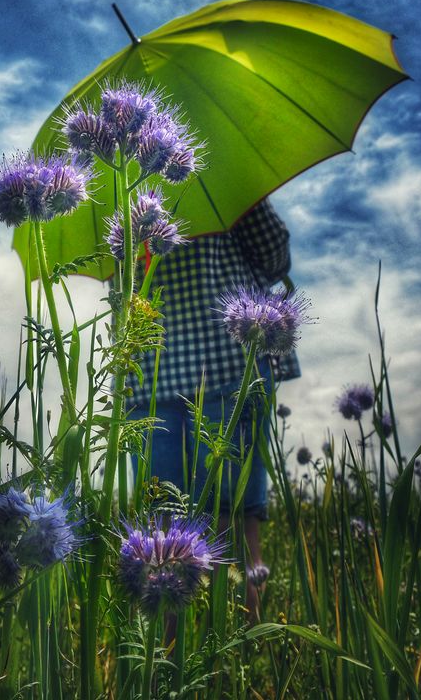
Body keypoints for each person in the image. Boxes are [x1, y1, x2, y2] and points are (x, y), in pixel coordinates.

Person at [128, 196, 300, 623]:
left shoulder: (125, 187)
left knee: (161, 534)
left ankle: (167, 663)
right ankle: (236, 656)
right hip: (226, 359)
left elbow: (119, 275)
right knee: (233, 522)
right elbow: (273, 248)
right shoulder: (214, 177)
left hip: (147, 369)